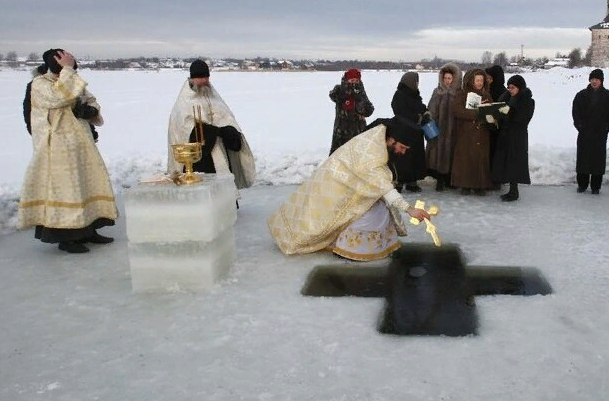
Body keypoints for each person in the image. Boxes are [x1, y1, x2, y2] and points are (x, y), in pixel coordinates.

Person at [267, 118, 432, 261]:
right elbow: (385, 189)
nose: (402, 152)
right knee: (375, 215)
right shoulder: (373, 156)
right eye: (402, 147)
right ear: (392, 140)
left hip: (338, 179)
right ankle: (350, 249)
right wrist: (410, 210)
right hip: (338, 187)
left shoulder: (378, 135)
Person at [17, 49, 117, 253]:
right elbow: (60, 97)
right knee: (67, 191)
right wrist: (68, 69)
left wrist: (91, 110)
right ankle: (67, 238)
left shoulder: (71, 79)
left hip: (81, 144)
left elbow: (89, 98)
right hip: (58, 149)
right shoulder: (40, 84)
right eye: (67, 65)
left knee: (86, 184)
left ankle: (89, 230)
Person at [167, 60, 256, 193]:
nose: (204, 80)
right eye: (200, 77)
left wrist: (229, 130)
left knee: (222, 182)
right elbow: (184, 128)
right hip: (198, 155)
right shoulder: (184, 100)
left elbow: (226, 116)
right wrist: (215, 131)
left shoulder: (212, 95)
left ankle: (226, 205)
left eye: (206, 77)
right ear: (192, 78)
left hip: (219, 148)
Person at [571, 68, 609, 194]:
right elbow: (575, 112)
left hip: (599, 134)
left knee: (597, 161)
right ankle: (582, 184)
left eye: (597, 79)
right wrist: (579, 125)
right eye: (593, 79)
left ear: (601, 81)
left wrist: (606, 127)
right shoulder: (581, 95)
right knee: (583, 160)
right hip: (584, 133)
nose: (594, 82)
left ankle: (596, 186)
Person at [492, 75, 535, 202]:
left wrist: (507, 112)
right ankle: (510, 189)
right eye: (509, 87)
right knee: (506, 161)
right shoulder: (506, 98)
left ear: (520, 88)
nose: (510, 90)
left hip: (517, 136)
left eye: (513, 87)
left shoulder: (527, 101)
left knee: (515, 162)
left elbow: (522, 119)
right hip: (505, 134)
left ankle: (514, 191)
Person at [450, 68, 493, 195]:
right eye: (477, 80)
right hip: (466, 133)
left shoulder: (486, 95)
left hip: (482, 133)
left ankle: (480, 185)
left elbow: (490, 110)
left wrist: (491, 114)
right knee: (466, 159)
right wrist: (476, 113)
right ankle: (466, 185)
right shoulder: (462, 94)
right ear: (471, 80)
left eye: (481, 80)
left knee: (480, 159)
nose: (480, 83)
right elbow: (457, 111)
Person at [390, 71, 429, 192]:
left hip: (416, 131)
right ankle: (399, 182)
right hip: (403, 131)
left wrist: (425, 113)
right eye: (416, 81)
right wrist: (417, 117)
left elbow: (419, 106)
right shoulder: (399, 94)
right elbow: (398, 110)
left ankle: (412, 181)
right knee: (402, 157)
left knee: (415, 157)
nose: (417, 84)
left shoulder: (415, 94)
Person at [425, 64, 462, 192]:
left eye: (450, 78)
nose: (447, 80)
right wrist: (430, 118)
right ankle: (439, 180)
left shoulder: (459, 93)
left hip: (453, 130)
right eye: (445, 78)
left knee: (451, 153)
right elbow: (432, 109)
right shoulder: (437, 91)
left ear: (455, 79)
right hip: (439, 129)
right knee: (438, 154)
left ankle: (450, 180)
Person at [328, 68, 374, 154]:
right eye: (352, 80)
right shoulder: (339, 89)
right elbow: (333, 95)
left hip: (358, 130)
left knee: (357, 156)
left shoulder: (361, 92)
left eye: (356, 80)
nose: (354, 82)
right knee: (338, 155)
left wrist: (361, 106)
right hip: (341, 131)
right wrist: (347, 90)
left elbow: (369, 110)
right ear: (347, 79)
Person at [484, 64, 507, 189]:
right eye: (486, 78)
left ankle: (496, 181)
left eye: (490, 78)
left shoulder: (503, 92)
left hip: (498, 130)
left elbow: (505, 112)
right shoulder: (486, 90)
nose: (487, 81)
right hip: (487, 128)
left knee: (496, 156)